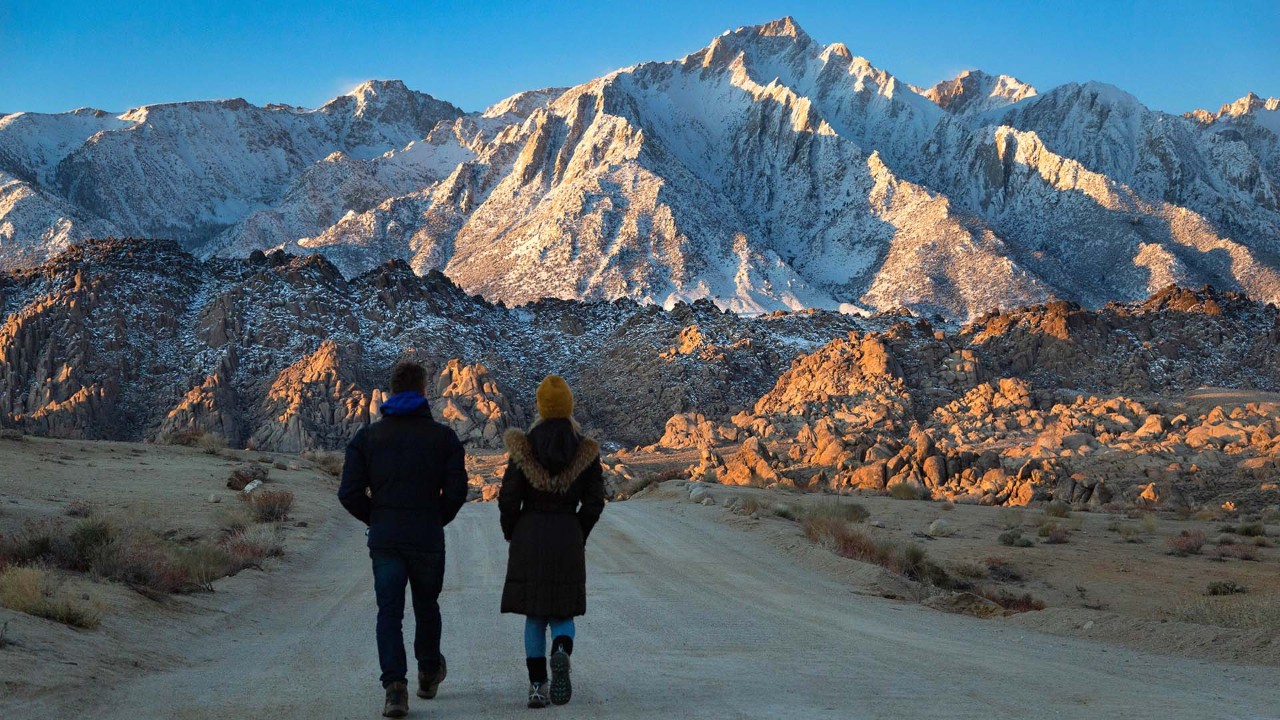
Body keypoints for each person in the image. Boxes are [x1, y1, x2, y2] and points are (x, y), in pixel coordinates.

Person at [339, 360, 468, 718]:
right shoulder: (444, 438)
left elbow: (349, 492)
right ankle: (428, 673)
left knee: (389, 611)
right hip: (427, 537)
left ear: (391, 391)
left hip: (386, 539)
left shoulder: (367, 438)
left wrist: (377, 518)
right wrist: (435, 518)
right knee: (427, 606)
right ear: (425, 391)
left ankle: (395, 689)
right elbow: (458, 491)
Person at [499, 375, 606, 709]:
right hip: (567, 534)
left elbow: (508, 499)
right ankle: (560, 649)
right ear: (569, 407)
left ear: (540, 407)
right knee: (562, 610)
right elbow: (595, 501)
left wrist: (513, 530)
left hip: (530, 533)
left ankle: (536, 686)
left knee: (534, 615)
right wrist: (578, 530)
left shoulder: (524, 447)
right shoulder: (584, 450)